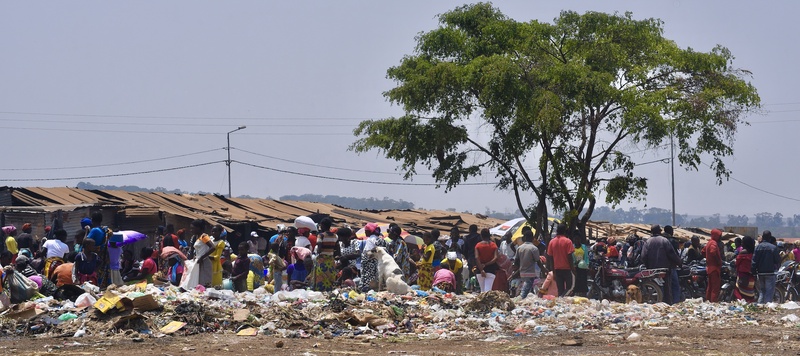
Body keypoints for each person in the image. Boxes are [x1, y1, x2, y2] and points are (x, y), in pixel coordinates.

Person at [641, 224, 682, 304]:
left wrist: (648, 266)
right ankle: (671, 304)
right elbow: (672, 254)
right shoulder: (664, 240)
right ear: (660, 232)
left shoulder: (648, 242)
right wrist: (679, 262)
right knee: (669, 288)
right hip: (665, 269)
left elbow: (643, 256)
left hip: (652, 270)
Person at [512, 230, 544, 299]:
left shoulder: (519, 248)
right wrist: (544, 269)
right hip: (530, 273)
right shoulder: (534, 248)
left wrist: (516, 272)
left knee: (528, 290)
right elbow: (538, 261)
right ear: (532, 238)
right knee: (525, 293)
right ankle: (518, 302)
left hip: (522, 273)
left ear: (524, 238)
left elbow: (516, 262)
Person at [752, 230, 781, 304]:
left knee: (762, 291)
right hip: (770, 272)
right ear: (770, 238)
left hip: (760, 273)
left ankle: (760, 305)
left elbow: (754, 261)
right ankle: (767, 306)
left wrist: (754, 272)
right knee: (769, 291)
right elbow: (777, 260)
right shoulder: (773, 248)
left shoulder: (758, 247)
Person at [546, 224, 575, 297]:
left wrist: (553, 271)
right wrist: (573, 269)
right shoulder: (568, 241)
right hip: (567, 269)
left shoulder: (552, 242)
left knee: (560, 289)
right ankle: (562, 299)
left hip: (557, 269)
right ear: (565, 231)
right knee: (569, 288)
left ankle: (561, 301)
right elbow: (569, 256)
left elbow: (551, 258)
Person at [313, 218, 339, 291]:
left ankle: (321, 291)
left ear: (322, 225)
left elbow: (319, 248)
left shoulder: (321, 235)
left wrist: (317, 252)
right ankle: (329, 291)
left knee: (320, 277)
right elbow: (337, 249)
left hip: (322, 260)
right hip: (330, 260)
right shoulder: (335, 236)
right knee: (329, 276)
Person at [361, 223, 386, 291]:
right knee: (374, 276)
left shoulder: (370, 239)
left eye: (366, 231)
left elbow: (368, 252)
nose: (365, 232)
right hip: (374, 262)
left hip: (369, 262)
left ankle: (367, 289)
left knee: (368, 277)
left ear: (369, 231)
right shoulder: (377, 238)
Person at [191, 219, 216, 287]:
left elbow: (212, 247)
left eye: (193, 228)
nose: (191, 230)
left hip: (204, 262)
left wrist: (202, 257)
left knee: (205, 283)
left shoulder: (204, 236)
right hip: (199, 261)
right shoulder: (197, 237)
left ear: (198, 228)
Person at [702, 228, 724, 302]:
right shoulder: (714, 243)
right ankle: (713, 302)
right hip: (714, 268)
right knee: (715, 287)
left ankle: (708, 301)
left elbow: (703, 251)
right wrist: (718, 261)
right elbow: (713, 252)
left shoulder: (709, 242)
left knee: (710, 286)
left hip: (709, 268)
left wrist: (708, 258)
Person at [474, 228, 499, 293]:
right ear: (489, 235)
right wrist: (486, 264)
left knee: (482, 291)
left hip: (479, 270)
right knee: (487, 291)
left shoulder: (478, 245)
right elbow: (495, 258)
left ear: (481, 236)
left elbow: (476, 258)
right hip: (491, 270)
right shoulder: (494, 245)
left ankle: (481, 303)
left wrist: (482, 269)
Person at [734, 236, 756, 302]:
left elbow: (737, 262)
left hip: (743, 274)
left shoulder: (743, 252)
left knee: (740, 292)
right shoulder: (753, 251)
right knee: (749, 291)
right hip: (751, 274)